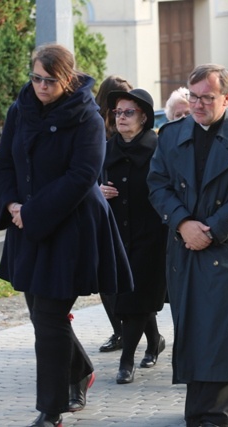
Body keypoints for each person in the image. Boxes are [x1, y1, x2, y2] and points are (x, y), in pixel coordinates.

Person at [0, 43, 133, 427]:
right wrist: (10, 206)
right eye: (36, 77)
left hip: (70, 224)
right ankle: (81, 369)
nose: (40, 85)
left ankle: (50, 410)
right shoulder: (19, 110)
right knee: (40, 314)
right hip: (27, 223)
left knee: (51, 315)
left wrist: (32, 213)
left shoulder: (86, 115)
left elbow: (82, 175)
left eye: (49, 80)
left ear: (67, 79)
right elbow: (4, 162)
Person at [147, 63, 228, 426]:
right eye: (194, 97)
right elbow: (157, 184)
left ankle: (210, 415)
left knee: (217, 323)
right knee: (194, 320)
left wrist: (212, 230)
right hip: (183, 242)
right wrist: (184, 223)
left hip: (226, 244)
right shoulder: (171, 134)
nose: (199, 105)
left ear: (227, 99)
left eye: (208, 98)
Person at [102, 88, 168, 384]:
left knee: (138, 295)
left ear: (143, 117)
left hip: (150, 233)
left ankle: (126, 359)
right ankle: (154, 342)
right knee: (126, 297)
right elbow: (86, 180)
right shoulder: (105, 148)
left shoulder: (159, 148)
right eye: (118, 112)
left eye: (129, 112)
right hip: (115, 233)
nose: (122, 118)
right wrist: (96, 192)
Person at [94, 75, 134, 354]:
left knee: (133, 274)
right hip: (100, 208)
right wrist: (97, 188)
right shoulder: (95, 126)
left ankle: (138, 329)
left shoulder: (130, 124)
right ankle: (119, 330)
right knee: (105, 276)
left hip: (129, 208)